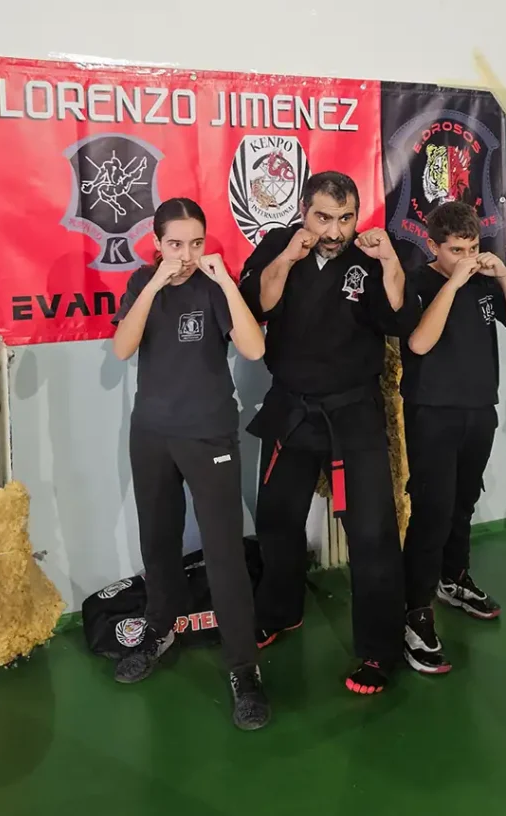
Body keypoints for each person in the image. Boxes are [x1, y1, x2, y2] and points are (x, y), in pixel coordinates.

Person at [238, 171, 415, 695]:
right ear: (302, 212)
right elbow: (256, 306)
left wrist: (390, 262)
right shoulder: (279, 244)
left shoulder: (371, 253)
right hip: (291, 406)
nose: (335, 231)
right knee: (277, 517)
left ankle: (379, 649)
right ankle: (280, 610)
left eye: (345, 218)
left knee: (371, 532)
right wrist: (288, 257)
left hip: (353, 411)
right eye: (323, 218)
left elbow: (398, 320)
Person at [110, 198, 272, 730]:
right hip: (152, 433)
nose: (186, 253)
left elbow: (253, 350)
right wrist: (155, 283)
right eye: (175, 244)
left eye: (195, 242)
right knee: (158, 540)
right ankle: (159, 631)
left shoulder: (214, 284)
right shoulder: (143, 282)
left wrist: (226, 282)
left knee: (224, 551)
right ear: (157, 244)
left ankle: (244, 668)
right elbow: (122, 349)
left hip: (209, 433)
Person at [399, 202, 506, 673]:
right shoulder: (417, 283)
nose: (467, 257)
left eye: (473, 248)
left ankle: (453, 578)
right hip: (431, 412)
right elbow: (419, 343)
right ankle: (415, 612)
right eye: (456, 250)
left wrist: (504, 276)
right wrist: (454, 283)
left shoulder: (484, 282)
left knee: (463, 501)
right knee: (432, 511)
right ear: (432, 246)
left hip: (479, 409)